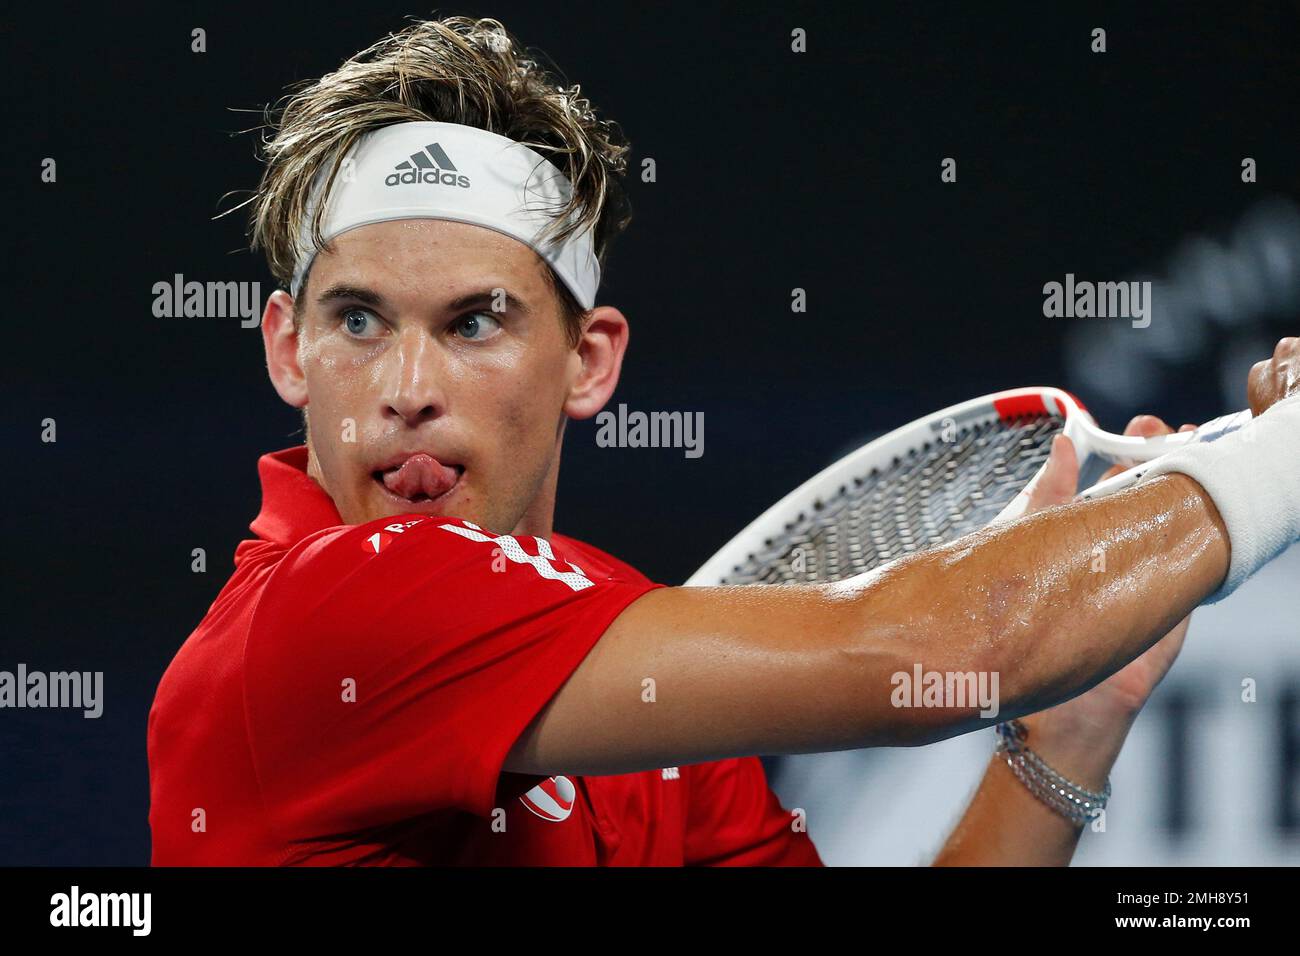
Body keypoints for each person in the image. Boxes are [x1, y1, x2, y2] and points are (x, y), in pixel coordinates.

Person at [147, 16, 1300, 866]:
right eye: (359, 319)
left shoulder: (641, 688)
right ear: (288, 350)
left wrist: (1063, 738)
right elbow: (935, 649)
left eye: (474, 322)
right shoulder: (320, 616)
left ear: (589, 360)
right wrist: (1277, 459)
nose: (406, 387)